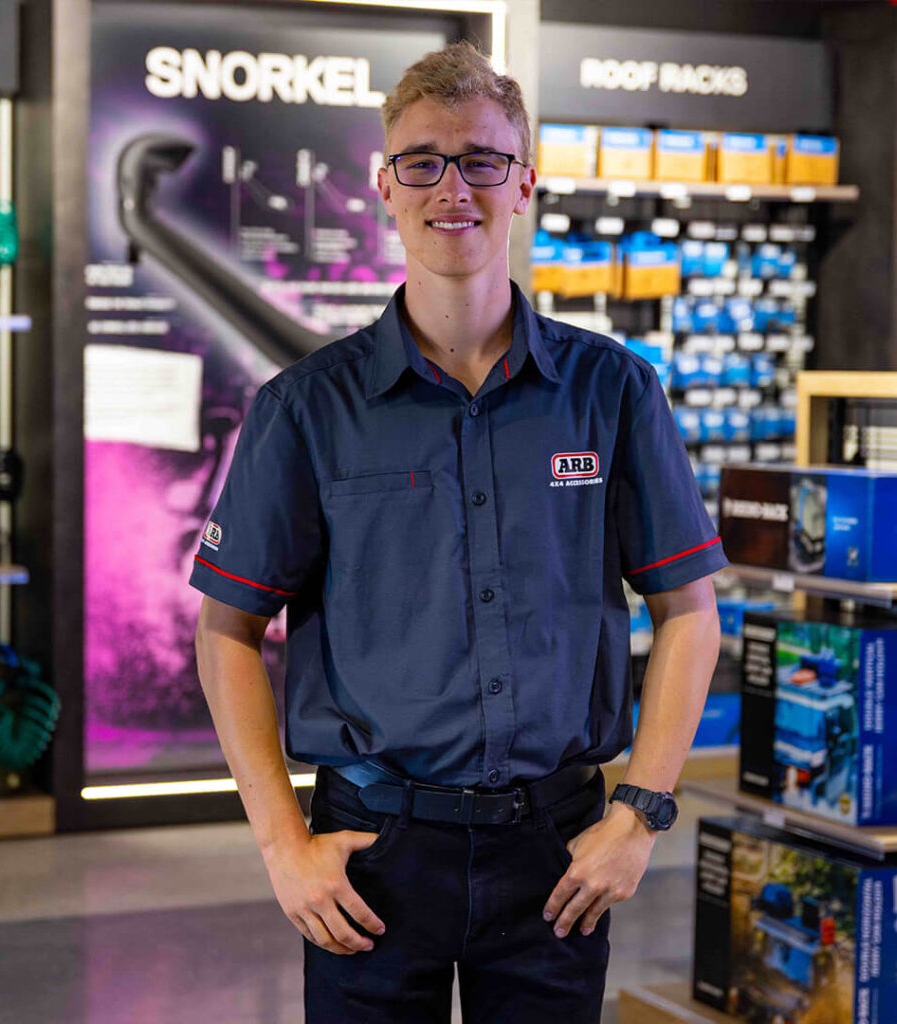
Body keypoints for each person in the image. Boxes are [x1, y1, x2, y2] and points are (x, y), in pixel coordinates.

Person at [191, 40, 725, 1023]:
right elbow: (226, 630)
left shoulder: (612, 391)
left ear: (522, 182)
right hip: (370, 856)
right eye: (423, 161)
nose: (453, 188)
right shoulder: (306, 408)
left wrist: (640, 813)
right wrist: (280, 843)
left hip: (558, 851)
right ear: (384, 185)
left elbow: (690, 613)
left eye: (481, 160)